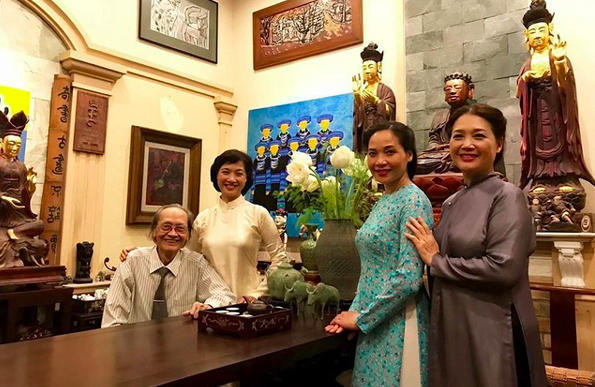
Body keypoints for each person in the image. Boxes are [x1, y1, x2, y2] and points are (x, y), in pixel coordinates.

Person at [405, 104, 547, 387]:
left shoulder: (508, 196)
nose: (466, 144)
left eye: (478, 136)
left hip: (495, 330)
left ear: (498, 145)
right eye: (458, 136)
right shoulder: (451, 201)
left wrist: (436, 261)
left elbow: (503, 269)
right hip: (453, 325)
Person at [326, 122, 433, 387]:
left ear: (409, 154)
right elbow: (370, 270)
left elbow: (409, 277)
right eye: (372, 153)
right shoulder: (384, 200)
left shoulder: (413, 201)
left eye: (389, 152)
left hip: (400, 321)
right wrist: (352, 315)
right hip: (375, 320)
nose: (380, 161)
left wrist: (362, 318)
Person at [121, 150, 286, 301]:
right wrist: (140, 253)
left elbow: (281, 259)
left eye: (239, 173)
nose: (231, 179)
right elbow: (183, 255)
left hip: (246, 302)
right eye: (225, 172)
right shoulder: (204, 218)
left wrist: (256, 294)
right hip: (209, 303)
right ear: (216, 176)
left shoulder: (258, 214)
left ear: (246, 178)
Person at [103, 204, 236, 327]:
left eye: (180, 228)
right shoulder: (132, 262)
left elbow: (225, 295)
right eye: (166, 227)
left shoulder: (197, 263)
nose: (173, 234)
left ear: (188, 235)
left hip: (182, 344)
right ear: (154, 231)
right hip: (137, 344)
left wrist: (208, 306)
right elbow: (113, 316)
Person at [517, 0, 595, 190]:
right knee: (538, 141)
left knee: (560, 138)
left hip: (557, 111)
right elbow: (520, 93)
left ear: (549, 30)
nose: (537, 35)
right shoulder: (528, 64)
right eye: (532, 32)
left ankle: (565, 176)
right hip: (536, 112)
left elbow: (566, 86)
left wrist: (559, 62)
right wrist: (526, 79)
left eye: (541, 30)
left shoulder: (558, 56)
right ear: (527, 36)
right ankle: (540, 178)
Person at [0, 109, 46, 268]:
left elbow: (23, 194)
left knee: (39, 224)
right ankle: (13, 239)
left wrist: (30, 187)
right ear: (1, 143)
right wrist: (3, 198)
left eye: (18, 145)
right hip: (2, 213)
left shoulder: (21, 167)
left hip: (18, 216)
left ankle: (16, 233)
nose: (14, 148)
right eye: (11, 144)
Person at [416, 72, 474, 175]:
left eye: (457, 88)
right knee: (417, 163)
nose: (452, 91)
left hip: (463, 154)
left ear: (469, 91)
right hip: (441, 155)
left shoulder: (476, 115)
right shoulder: (440, 116)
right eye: (448, 89)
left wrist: (454, 148)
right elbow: (433, 141)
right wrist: (439, 148)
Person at [352, 42, 396, 152]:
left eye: (370, 66)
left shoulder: (385, 90)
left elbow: (390, 111)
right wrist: (357, 94)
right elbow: (358, 116)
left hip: (380, 131)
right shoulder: (363, 91)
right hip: (365, 130)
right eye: (364, 68)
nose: (367, 70)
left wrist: (376, 101)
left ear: (378, 67)